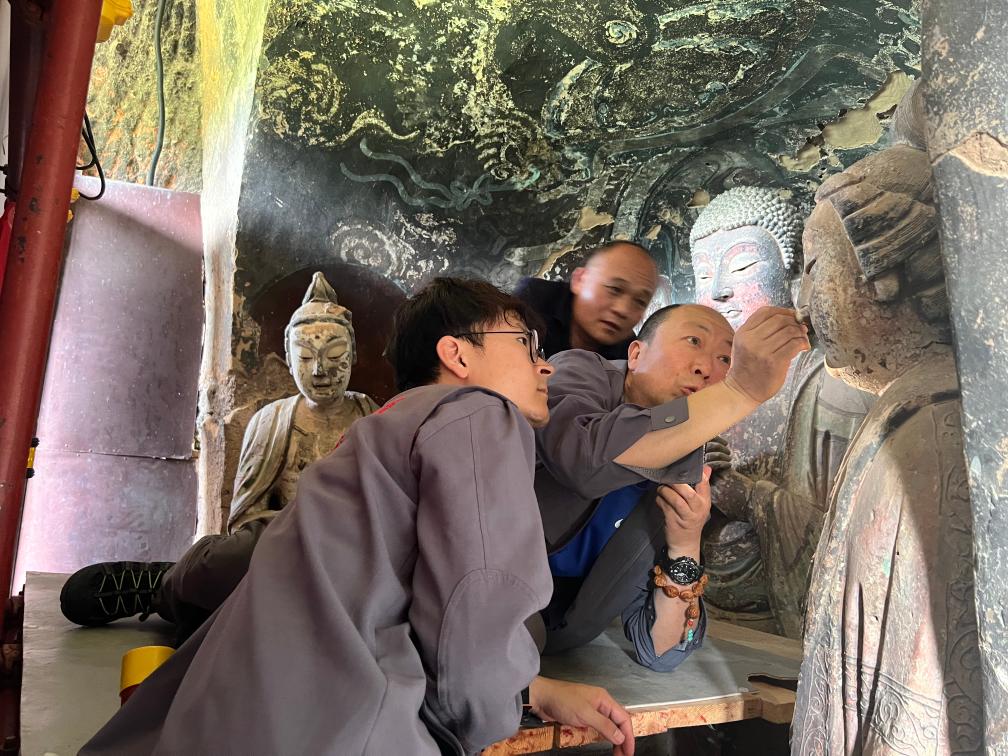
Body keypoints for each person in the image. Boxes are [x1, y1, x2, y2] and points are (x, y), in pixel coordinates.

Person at [80, 278, 636, 756]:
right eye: (524, 343)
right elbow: (475, 604)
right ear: (458, 355)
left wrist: (529, 690)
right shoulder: (481, 413)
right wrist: (485, 720)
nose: (544, 364)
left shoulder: (382, 426)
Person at [60, 273, 378, 642]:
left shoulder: (374, 419)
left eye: (335, 356)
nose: (320, 370)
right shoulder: (272, 421)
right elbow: (247, 517)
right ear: (289, 362)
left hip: (349, 563)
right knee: (242, 562)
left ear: (353, 355)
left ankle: (171, 588)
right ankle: (168, 585)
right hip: (283, 552)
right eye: (305, 357)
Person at [792, 145, 982, 754]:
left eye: (815, 268)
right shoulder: (913, 410)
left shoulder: (932, 428)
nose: (801, 303)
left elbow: (918, 705)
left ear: (883, 276)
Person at [534, 301, 811, 668]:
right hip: (481, 614)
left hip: (549, 648)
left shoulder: (690, 467)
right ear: (636, 354)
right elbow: (584, 462)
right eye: (694, 341)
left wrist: (685, 545)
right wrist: (740, 391)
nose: (706, 368)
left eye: (726, 359)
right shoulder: (582, 373)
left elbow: (663, 651)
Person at [689, 187, 874, 638]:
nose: (719, 289)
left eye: (742, 266)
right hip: (695, 600)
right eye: (704, 273)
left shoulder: (831, 383)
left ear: (792, 275)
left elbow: (846, 532)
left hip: (788, 623)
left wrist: (744, 495)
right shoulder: (698, 381)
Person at [514, 240, 659, 359]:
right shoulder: (532, 301)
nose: (623, 310)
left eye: (640, 302)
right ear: (580, 280)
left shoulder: (628, 356)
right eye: (615, 289)